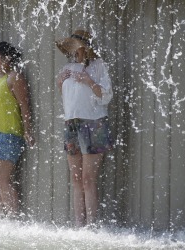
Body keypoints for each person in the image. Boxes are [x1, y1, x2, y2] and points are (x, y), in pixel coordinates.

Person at [56, 30, 113, 227]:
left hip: (93, 123)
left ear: (84, 46)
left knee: (88, 178)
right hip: (71, 123)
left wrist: (88, 80)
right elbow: (69, 99)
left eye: (75, 44)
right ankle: (79, 225)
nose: (73, 49)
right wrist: (60, 83)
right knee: (76, 177)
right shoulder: (67, 67)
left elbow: (106, 96)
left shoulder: (98, 66)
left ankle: (92, 225)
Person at [0, 41, 34, 218]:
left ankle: (13, 218)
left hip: (9, 134)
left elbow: (24, 106)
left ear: (8, 58)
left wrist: (28, 130)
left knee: (3, 179)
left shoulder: (15, 77)